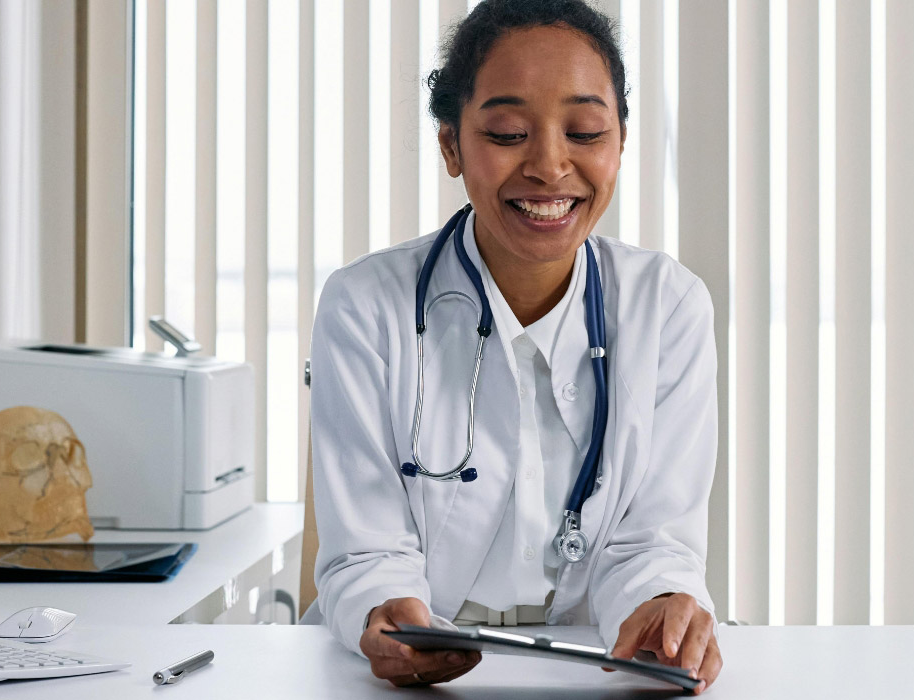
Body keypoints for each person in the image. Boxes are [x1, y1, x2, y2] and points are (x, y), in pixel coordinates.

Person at [304, 0, 723, 692]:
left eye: (586, 130)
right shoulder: (366, 306)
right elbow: (366, 551)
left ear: (621, 142)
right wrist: (387, 614)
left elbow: (652, 542)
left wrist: (661, 609)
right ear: (450, 144)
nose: (550, 165)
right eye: (506, 133)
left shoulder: (667, 307)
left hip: (595, 677)